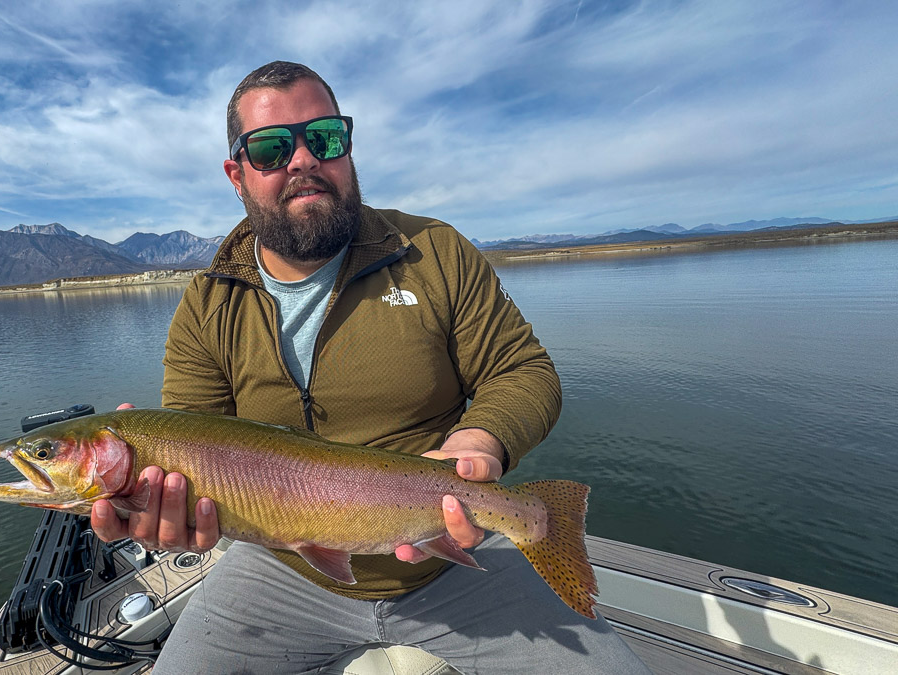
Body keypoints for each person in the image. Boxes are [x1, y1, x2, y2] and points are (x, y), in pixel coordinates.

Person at [91, 61, 649, 674]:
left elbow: (523, 371)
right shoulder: (208, 303)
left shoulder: (433, 253)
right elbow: (196, 435)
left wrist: (480, 442)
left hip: (453, 554)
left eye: (324, 138)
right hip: (282, 571)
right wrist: (165, 508)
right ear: (237, 174)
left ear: (348, 151)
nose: (302, 160)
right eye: (272, 148)